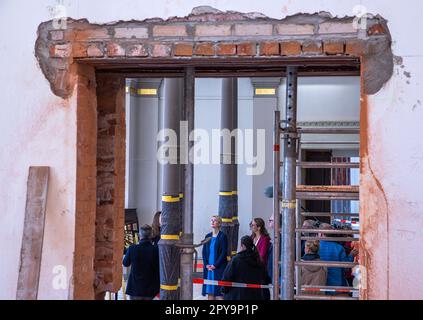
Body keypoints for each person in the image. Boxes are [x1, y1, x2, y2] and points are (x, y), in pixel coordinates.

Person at [222, 235, 269, 300]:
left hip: (237, 296)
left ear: (242, 246)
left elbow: (227, 277)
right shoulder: (258, 260)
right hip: (255, 296)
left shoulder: (236, 260)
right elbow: (266, 279)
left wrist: (224, 290)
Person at [122, 224, 160, 300]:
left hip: (135, 288)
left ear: (139, 235)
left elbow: (125, 263)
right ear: (151, 236)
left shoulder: (132, 248)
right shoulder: (156, 249)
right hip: (151, 289)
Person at [318, 223, 358, 287]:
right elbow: (346, 265)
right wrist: (351, 255)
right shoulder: (338, 247)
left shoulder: (315, 247)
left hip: (319, 283)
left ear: (320, 234)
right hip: (336, 282)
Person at [201, 216, 228, 300]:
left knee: (219, 293)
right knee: (210, 291)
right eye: (211, 220)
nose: (212, 222)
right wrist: (206, 265)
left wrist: (215, 265)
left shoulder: (222, 236)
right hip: (209, 268)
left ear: (219, 223)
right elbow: (204, 252)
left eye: (215, 220)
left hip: (218, 268)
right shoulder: (208, 236)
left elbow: (223, 253)